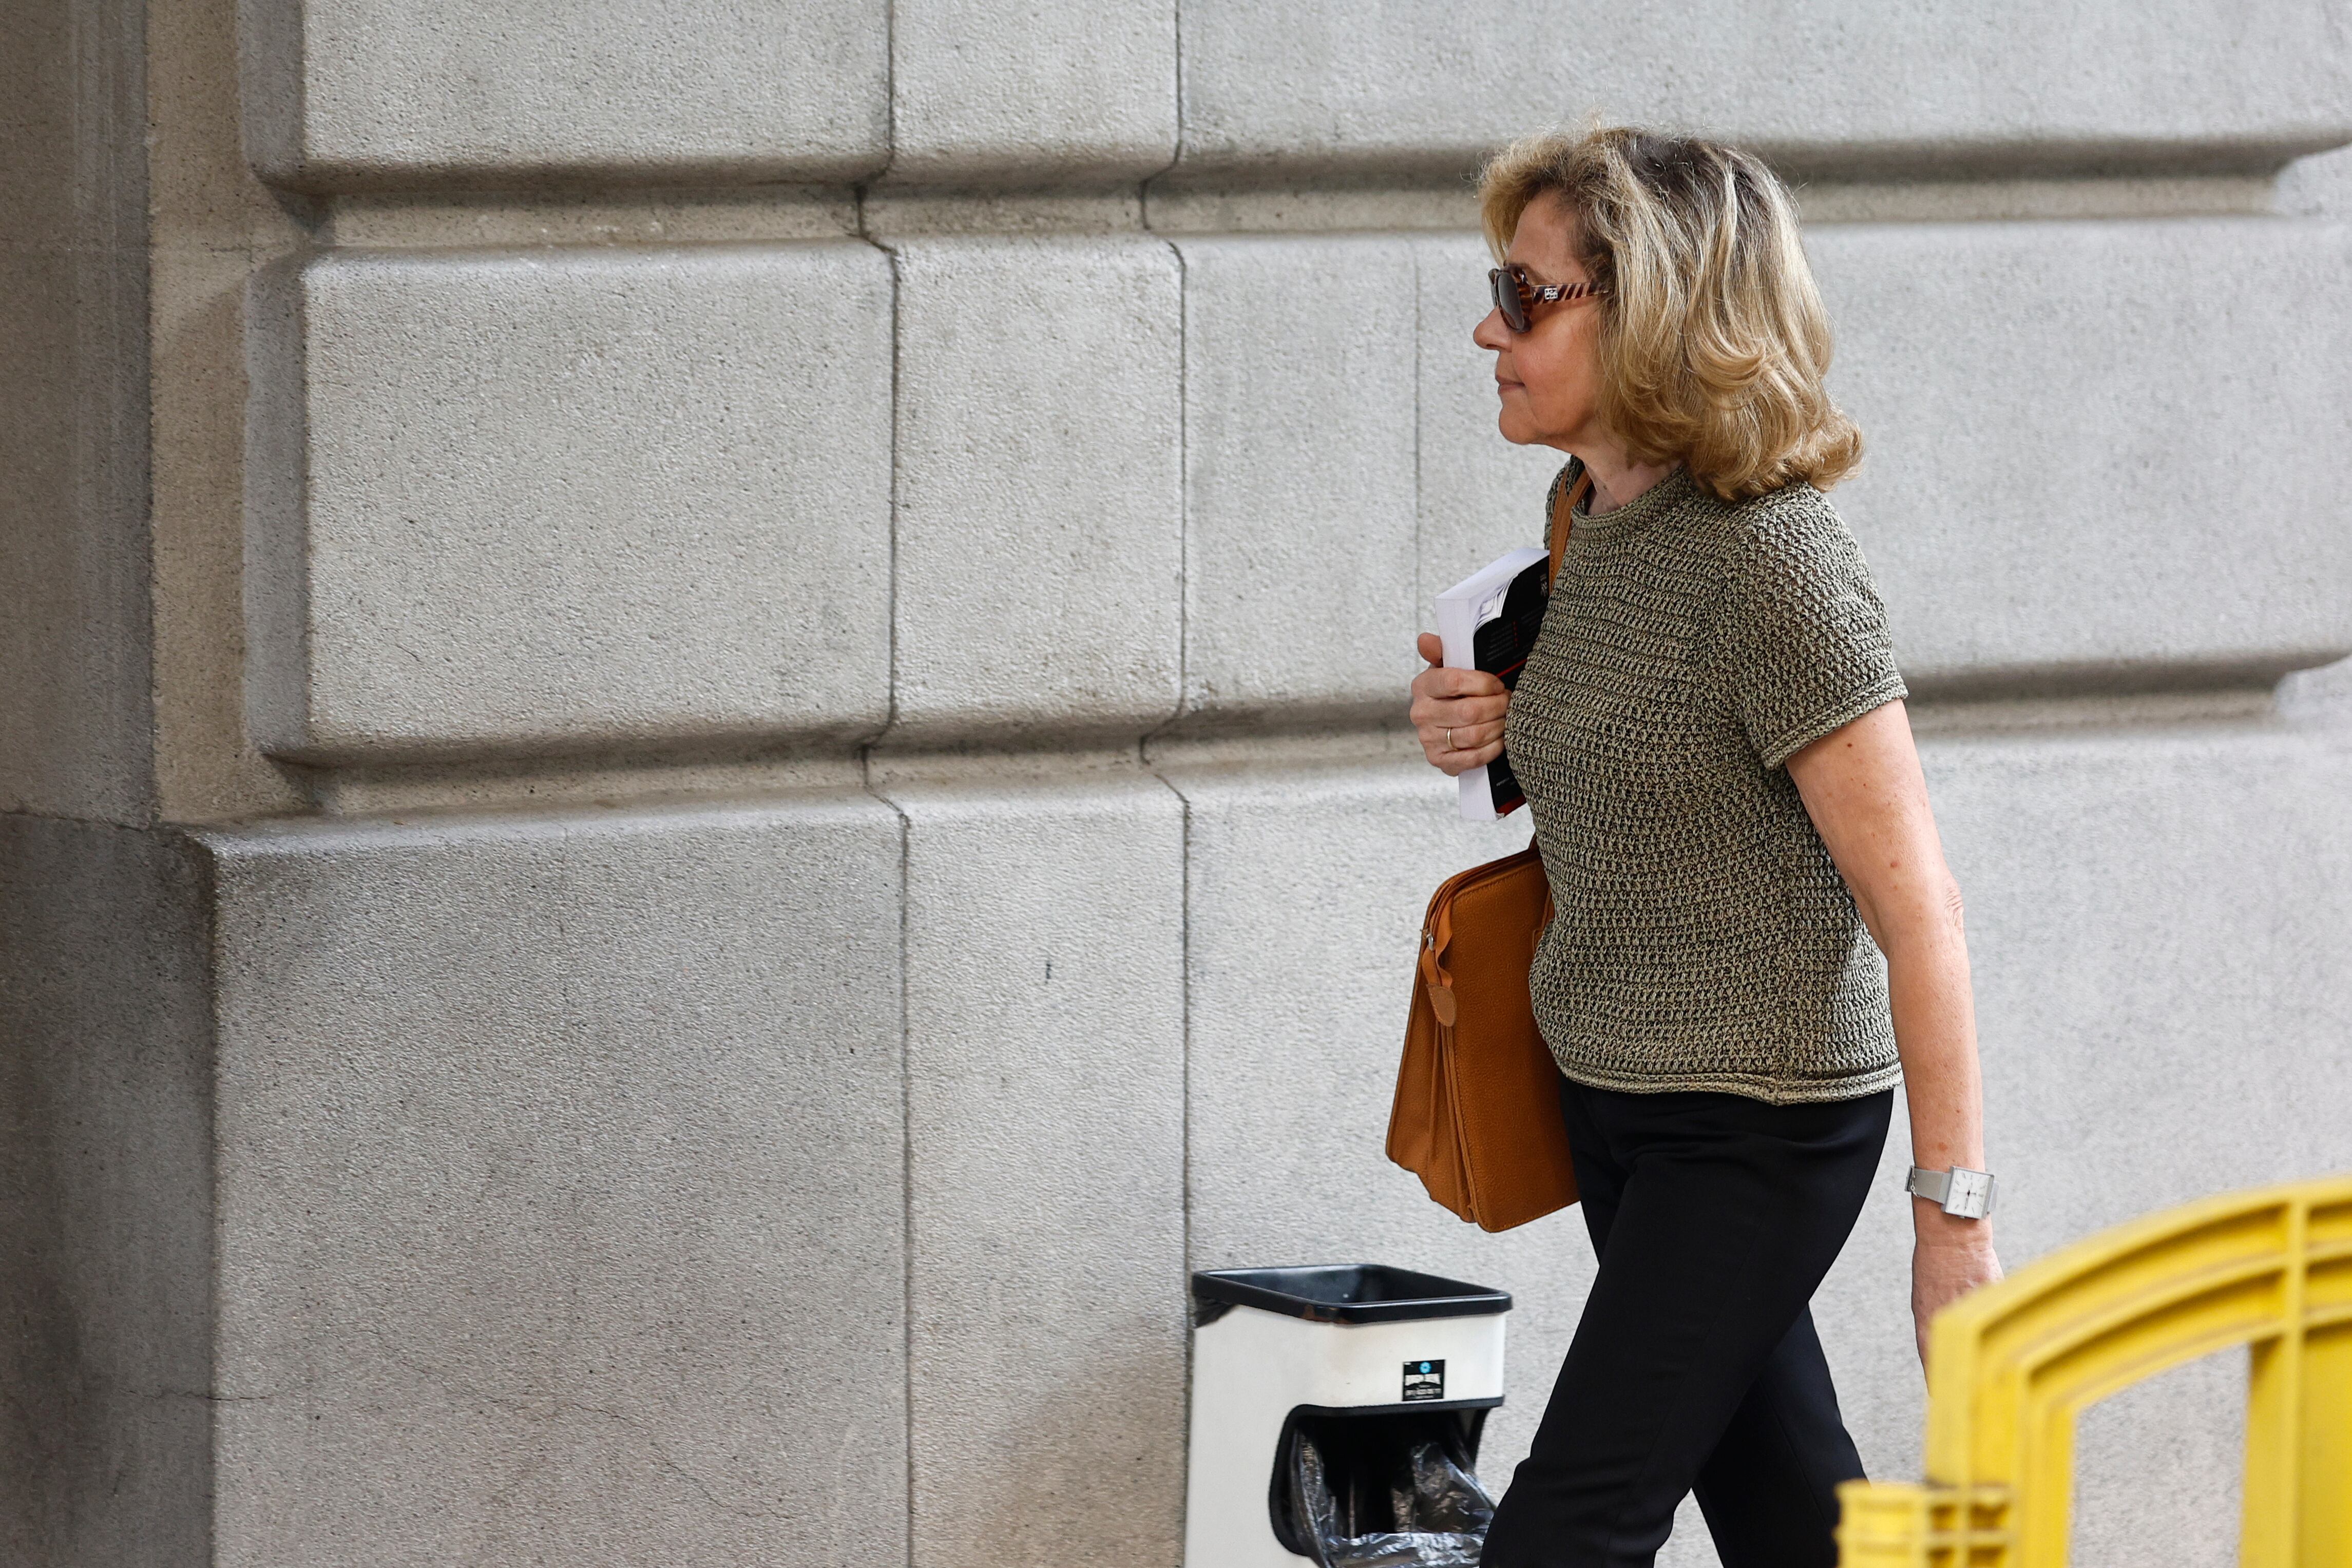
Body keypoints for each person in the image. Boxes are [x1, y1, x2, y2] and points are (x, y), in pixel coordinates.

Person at [1408, 126, 2003, 1568]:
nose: (1491, 325)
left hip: (1757, 1117)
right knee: (1789, 1512)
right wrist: (1475, 717)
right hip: (1611, 1094)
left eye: (1528, 294)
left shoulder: (1775, 567)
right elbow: (1634, 759)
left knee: (1566, 1532)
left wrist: (1953, 1221)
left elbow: (1916, 902)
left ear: (1656, 310)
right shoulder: (1586, 519)